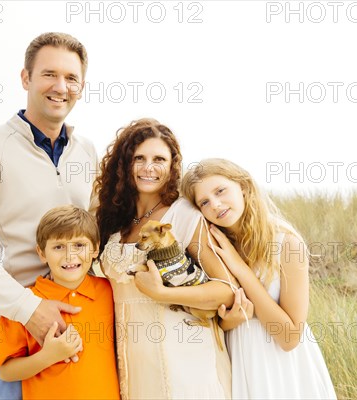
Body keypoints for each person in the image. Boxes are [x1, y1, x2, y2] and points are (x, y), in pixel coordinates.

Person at [0, 32, 97, 398]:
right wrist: (28, 308)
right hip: (15, 327)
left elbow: (95, 238)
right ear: (26, 78)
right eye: (49, 74)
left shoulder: (87, 151)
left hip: (77, 327)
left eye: (71, 78)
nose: (61, 86)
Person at [94, 118, 235, 399]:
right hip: (130, 361)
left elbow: (226, 291)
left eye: (159, 159)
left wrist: (160, 292)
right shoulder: (112, 218)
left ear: (172, 165)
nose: (149, 167)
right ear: (124, 164)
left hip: (183, 359)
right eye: (139, 158)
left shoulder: (182, 215)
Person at [181, 158, 337, 399]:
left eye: (220, 191)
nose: (215, 204)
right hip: (239, 364)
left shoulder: (286, 243)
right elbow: (218, 322)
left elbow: (289, 337)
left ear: (242, 186)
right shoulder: (213, 249)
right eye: (204, 202)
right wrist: (228, 322)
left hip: (283, 370)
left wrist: (240, 268)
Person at [0, 205, 120, 399]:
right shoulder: (26, 303)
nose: (69, 256)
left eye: (79, 245)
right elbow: (6, 372)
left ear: (95, 249)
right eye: (58, 247)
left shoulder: (109, 290)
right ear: (42, 253)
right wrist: (48, 357)